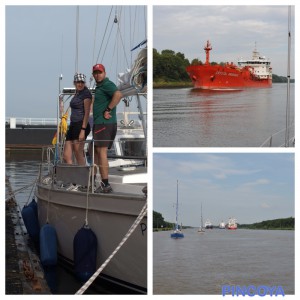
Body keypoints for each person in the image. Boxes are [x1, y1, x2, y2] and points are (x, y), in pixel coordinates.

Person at [92, 63, 123, 193]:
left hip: (104, 124)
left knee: (101, 152)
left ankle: (105, 184)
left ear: (104, 73)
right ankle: (94, 179)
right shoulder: (100, 86)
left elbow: (118, 94)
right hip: (100, 124)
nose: (97, 75)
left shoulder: (107, 84)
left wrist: (108, 109)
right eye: (95, 73)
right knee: (95, 152)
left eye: (100, 72)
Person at [63, 73, 92, 165]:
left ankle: (83, 176)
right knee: (66, 156)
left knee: (78, 152)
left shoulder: (86, 94)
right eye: (78, 82)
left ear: (84, 83)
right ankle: (72, 176)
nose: (80, 84)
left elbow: (87, 113)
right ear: (74, 83)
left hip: (81, 125)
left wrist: (83, 130)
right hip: (73, 125)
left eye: (82, 82)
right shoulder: (77, 93)